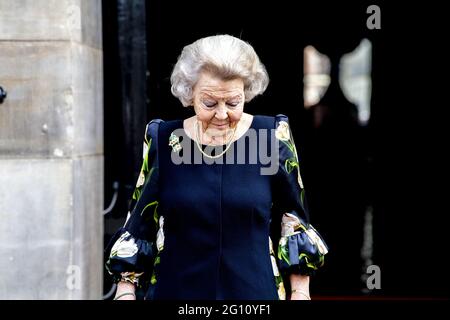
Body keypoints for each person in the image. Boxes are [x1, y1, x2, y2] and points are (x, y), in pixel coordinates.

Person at [105, 34, 328, 300]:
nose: (222, 115)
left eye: (233, 103)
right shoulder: (164, 139)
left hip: (254, 294)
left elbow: (293, 221)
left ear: (246, 92)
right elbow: (139, 224)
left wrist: (300, 293)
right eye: (209, 103)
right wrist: (125, 293)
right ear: (190, 94)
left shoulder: (270, 137)